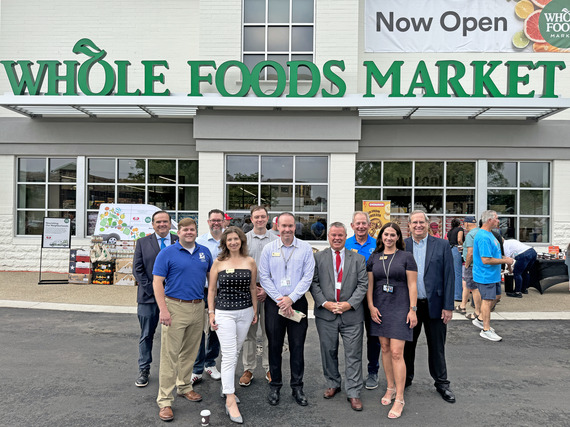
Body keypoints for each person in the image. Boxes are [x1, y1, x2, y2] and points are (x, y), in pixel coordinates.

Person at [152, 218, 213, 422]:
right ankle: (165, 401)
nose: (189, 232)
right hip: (175, 307)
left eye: (192, 229)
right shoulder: (167, 253)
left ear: (197, 231)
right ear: (178, 232)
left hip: (198, 307)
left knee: (190, 352)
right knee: (170, 356)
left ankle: (184, 386)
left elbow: (211, 279)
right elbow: (157, 283)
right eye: (185, 229)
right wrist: (163, 310)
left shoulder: (204, 252)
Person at [258, 212, 315, 407]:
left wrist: (291, 298)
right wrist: (280, 300)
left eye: (290, 226)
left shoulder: (305, 248)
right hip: (275, 305)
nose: (287, 229)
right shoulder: (269, 249)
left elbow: (308, 277)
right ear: (277, 226)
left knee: (297, 347)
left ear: (295, 227)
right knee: (274, 346)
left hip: (297, 303)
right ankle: (275, 385)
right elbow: (264, 276)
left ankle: (297, 386)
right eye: (283, 226)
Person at [311, 222, 368, 412]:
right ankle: (333, 382)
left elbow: (362, 285)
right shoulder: (318, 258)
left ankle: (353, 392)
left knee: (353, 354)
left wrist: (349, 304)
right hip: (326, 314)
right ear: (328, 236)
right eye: (333, 235)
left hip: (351, 314)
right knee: (328, 351)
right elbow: (313, 283)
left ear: (346, 236)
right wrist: (325, 303)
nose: (337, 238)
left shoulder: (358, 259)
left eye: (340, 235)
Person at [404, 210, 456, 404]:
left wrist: (448, 306)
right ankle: (406, 379)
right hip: (411, 306)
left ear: (428, 224)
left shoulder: (442, 245)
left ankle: (442, 383)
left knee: (437, 347)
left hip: (435, 304)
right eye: (414, 222)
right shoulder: (403, 245)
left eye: (422, 222)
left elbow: (449, 277)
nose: (418, 225)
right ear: (408, 226)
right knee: (407, 345)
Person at [367, 222, 418, 419]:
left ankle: (400, 397)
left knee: (397, 352)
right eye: (386, 234)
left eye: (392, 235)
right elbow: (370, 285)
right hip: (380, 307)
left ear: (398, 237)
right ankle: (389, 387)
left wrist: (413, 310)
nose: (389, 238)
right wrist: (371, 306)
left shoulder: (406, 257)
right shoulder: (374, 258)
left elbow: (413, 285)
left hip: (400, 307)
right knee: (385, 348)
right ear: (381, 237)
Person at [208, 226, 258, 424]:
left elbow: (253, 287)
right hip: (224, 313)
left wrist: (255, 311)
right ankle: (230, 398)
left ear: (241, 241)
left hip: (245, 312)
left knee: (235, 351)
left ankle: (225, 388)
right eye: (229, 240)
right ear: (225, 243)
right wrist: (211, 313)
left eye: (236, 239)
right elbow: (212, 290)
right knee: (229, 354)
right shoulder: (218, 262)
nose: (233, 242)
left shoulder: (250, 261)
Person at [133, 211, 178, 388]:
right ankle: (144, 369)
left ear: (170, 223)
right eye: (158, 222)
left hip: (175, 298)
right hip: (148, 298)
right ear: (152, 224)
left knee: (175, 337)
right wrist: (154, 290)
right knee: (146, 335)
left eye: (165, 221)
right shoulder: (143, 243)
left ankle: (176, 371)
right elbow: (138, 270)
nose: (162, 224)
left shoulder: (179, 240)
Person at [239, 206, 278, 387]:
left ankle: (270, 367)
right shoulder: (243, 241)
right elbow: (241, 266)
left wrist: (267, 290)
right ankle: (249, 369)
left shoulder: (276, 240)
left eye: (263, 216)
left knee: (271, 332)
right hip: (249, 292)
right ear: (251, 219)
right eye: (257, 217)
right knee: (250, 333)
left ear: (267, 218)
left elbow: (279, 269)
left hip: (271, 294)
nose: (260, 220)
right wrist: (253, 288)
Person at [345, 211, 379, 390]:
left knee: (374, 337)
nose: (361, 227)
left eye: (364, 223)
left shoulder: (378, 244)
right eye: (357, 223)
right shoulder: (346, 244)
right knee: (354, 339)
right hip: (353, 299)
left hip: (373, 299)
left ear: (369, 225)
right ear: (352, 226)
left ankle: (373, 371)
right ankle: (354, 374)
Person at [192, 209, 224, 384]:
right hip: (203, 291)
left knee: (215, 328)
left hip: (224, 291)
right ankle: (197, 368)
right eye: (213, 220)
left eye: (219, 220)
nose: (216, 223)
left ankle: (210, 363)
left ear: (224, 221)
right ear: (208, 221)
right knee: (199, 329)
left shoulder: (230, 239)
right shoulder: (200, 241)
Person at [472, 210, 514, 342]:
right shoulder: (484, 237)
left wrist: (503, 258)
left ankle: (480, 319)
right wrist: (505, 261)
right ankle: (486, 329)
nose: (498, 221)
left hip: (492, 274)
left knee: (496, 297)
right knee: (487, 300)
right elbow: (486, 259)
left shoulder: (489, 235)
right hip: (486, 275)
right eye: (496, 219)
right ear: (489, 220)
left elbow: (492, 255)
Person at [456, 216, 479, 317]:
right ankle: (462, 306)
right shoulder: (480, 232)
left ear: (466, 223)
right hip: (479, 264)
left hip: (471, 265)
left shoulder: (470, 235)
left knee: (474, 288)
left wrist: (467, 265)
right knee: (466, 285)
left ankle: (478, 312)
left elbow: (470, 253)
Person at [447, 218, 464, 302]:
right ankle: (458, 295)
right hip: (457, 249)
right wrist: (463, 245)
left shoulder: (450, 232)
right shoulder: (460, 229)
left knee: (452, 273)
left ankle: (452, 294)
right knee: (458, 273)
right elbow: (459, 240)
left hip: (450, 250)